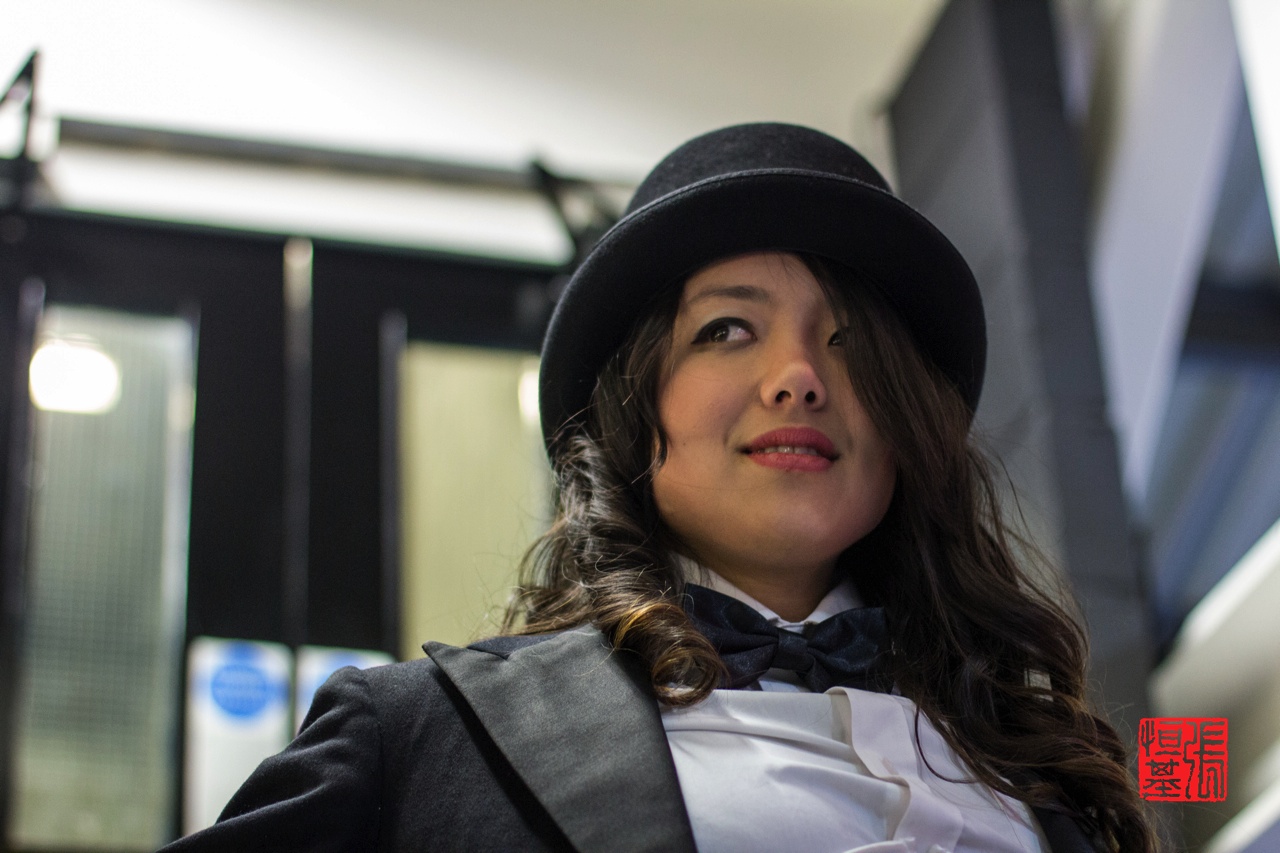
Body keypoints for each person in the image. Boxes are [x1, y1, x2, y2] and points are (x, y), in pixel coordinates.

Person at [162, 123, 1156, 853]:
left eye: (850, 340)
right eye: (727, 329)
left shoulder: (1046, 764)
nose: (798, 375)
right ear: (634, 412)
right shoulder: (417, 736)